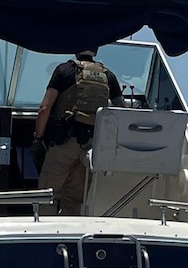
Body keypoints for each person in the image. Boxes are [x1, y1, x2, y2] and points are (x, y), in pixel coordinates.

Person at [32, 49, 124, 215]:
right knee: (74, 201)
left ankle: (47, 236)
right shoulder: (108, 75)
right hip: (92, 147)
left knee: (47, 195)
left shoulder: (64, 70)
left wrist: (38, 138)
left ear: (75, 49)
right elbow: (121, 112)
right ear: (95, 51)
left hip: (65, 143)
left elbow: (45, 108)